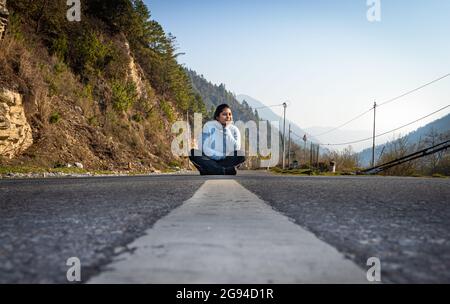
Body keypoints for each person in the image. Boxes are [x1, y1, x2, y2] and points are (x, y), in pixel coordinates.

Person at [189, 104, 246, 175]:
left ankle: (209, 170)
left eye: (230, 114)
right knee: (193, 152)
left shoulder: (234, 129)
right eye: (224, 114)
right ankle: (223, 171)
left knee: (240, 154)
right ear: (217, 117)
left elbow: (235, 148)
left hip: (226, 161)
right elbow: (203, 148)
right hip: (209, 159)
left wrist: (226, 130)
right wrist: (221, 156)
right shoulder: (208, 126)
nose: (228, 117)